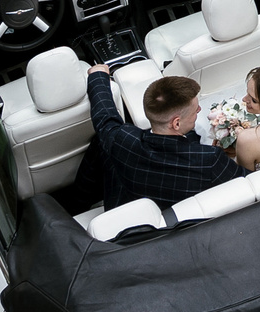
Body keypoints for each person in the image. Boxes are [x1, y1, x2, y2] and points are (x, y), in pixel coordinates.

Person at [83, 63, 241, 210]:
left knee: (101, 143)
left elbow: (105, 117)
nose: (199, 110)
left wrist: (98, 74)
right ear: (176, 123)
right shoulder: (210, 159)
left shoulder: (124, 140)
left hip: (128, 210)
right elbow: (245, 184)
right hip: (184, 220)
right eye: (195, 109)